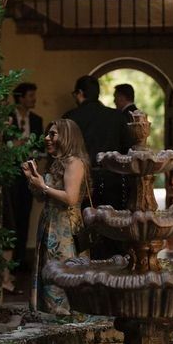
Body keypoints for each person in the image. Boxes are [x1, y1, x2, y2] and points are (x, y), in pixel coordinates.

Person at [21, 119, 89, 315]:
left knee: (62, 277)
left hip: (65, 231)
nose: (47, 138)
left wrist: (43, 186)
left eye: (53, 134)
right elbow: (43, 197)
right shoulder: (57, 163)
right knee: (50, 275)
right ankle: (52, 320)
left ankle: (64, 322)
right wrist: (32, 179)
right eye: (47, 134)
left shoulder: (74, 162)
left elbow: (70, 198)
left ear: (67, 137)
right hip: (50, 227)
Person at [64, 75, 132, 253]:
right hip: (113, 180)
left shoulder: (70, 118)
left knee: (83, 229)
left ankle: (86, 265)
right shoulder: (117, 117)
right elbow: (128, 151)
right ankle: (116, 265)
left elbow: (63, 152)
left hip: (81, 181)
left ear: (80, 93)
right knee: (113, 229)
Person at [6, 82, 42, 273]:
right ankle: (8, 262)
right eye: (30, 96)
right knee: (9, 216)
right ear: (20, 98)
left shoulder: (36, 120)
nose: (34, 99)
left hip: (28, 174)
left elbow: (41, 148)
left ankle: (20, 260)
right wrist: (15, 145)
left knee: (25, 215)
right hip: (9, 173)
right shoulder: (6, 117)